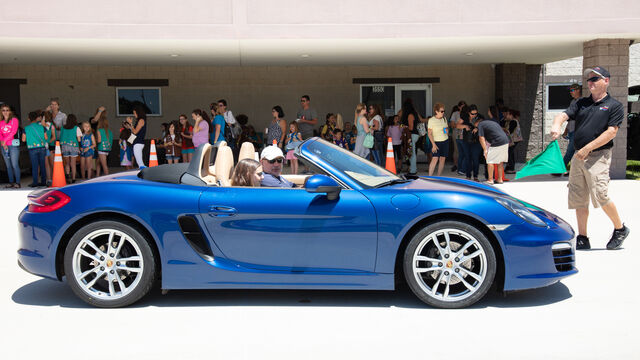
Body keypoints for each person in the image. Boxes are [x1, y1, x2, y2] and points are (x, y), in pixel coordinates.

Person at [550, 66, 629, 250]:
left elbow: (611, 132)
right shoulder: (581, 103)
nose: (590, 82)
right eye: (589, 80)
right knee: (579, 196)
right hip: (579, 155)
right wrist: (556, 125)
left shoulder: (614, 106)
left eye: (595, 79)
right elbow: (564, 115)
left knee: (601, 194)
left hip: (598, 156)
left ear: (606, 81)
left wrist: (588, 148)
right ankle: (583, 237)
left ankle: (620, 229)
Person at [478, 106, 509, 184]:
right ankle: (499, 179)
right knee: (500, 161)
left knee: (490, 161)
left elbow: (481, 138)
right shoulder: (491, 122)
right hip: (505, 141)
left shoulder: (480, 125)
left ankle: (490, 179)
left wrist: (485, 150)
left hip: (497, 142)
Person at [556, 83, 582, 175]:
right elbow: (569, 117)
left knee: (570, 150)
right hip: (571, 129)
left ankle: (560, 169)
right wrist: (566, 131)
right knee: (571, 151)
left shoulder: (581, 101)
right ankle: (566, 170)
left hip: (577, 130)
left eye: (572, 90)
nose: (570, 92)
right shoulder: (573, 102)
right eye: (570, 91)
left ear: (578, 90)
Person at [22, 111, 47, 187]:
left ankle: (35, 182)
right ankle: (43, 182)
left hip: (32, 148)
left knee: (35, 166)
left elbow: (23, 139)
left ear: (29, 119)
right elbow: (46, 137)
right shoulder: (42, 127)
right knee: (42, 165)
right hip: (42, 148)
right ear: (37, 118)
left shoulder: (26, 128)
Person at [0, 104, 21, 188]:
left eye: (7, 110)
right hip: (3, 145)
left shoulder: (14, 120)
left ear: (10, 111)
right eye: (3, 110)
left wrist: (4, 141)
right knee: (8, 165)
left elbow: (13, 132)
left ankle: (18, 182)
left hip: (12, 145)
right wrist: (2, 143)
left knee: (14, 164)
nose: (5, 112)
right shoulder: (0, 121)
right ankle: (11, 182)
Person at [427, 103, 449, 176]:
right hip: (436, 141)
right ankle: (429, 177)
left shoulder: (444, 119)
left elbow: (446, 130)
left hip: (445, 140)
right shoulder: (431, 120)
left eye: (444, 111)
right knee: (435, 158)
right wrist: (433, 145)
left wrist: (446, 131)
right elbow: (429, 133)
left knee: (442, 159)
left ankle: (439, 177)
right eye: (441, 111)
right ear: (436, 111)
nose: (443, 113)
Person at [401, 99, 420, 175]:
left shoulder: (410, 115)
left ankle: (413, 170)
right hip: (412, 135)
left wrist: (403, 126)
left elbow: (411, 128)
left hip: (411, 135)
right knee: (410, 152)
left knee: (411, 153)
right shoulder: (413, 114)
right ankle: (412, 168)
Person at [60, 114, 82, 182]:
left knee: (67, 163)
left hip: (64, 146)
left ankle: (67, 176)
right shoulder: (76, 128)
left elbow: (61, 137)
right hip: (73, 146)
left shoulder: (63, 128)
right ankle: (73, 178)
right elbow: (79, 140)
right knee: (73, 164)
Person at [463, 105, 482, 181]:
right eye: (472, 114)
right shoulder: (465, 117)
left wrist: (477, 127)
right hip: (466, 140)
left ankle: (475, 176)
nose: (474, 115)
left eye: (475, 113)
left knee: (475, 158)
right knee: (468, 158)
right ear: (468, 112)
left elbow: (483, 122)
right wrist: (464, 126)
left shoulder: (480, 117)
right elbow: (456, 125)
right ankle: (468, 176)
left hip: (476, 141)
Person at [95, 108, 113, 176]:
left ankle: (108, 179)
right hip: (107, 149)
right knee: (98, 162)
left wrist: (95, 140)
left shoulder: (99, 130)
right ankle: (97, 176)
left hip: (101, 149)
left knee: (104, 165)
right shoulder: (109, 131)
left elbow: (99, 140)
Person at [504, 109, 523, 174]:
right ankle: (510, 167)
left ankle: (511, 168)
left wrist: (503, 129)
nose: (506, 116)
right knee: (511, 153)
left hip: (514, 140)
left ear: (511, 115)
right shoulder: (513, 121)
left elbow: (509, 131)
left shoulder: (513, 122)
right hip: (514, 140)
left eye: (507, 114)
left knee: (509, 153)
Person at [450, 100, 466, 174]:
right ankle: (456, 165)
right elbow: (452, 125)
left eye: (464, 106)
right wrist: (458, 124)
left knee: (464, 151)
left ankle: (462, 166)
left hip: (465, 134)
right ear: (459, 107)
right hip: (456, 133)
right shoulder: (455, 114)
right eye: (462, 107)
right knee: (457, 150)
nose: (463, 108)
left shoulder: (467, 113)